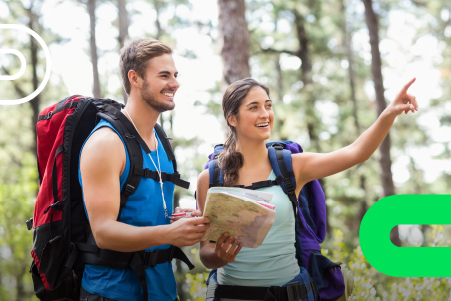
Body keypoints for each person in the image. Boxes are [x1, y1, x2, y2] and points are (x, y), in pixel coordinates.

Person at [197, 77, 418, 301]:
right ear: (232, 118)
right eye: (254, 107)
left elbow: (356, 153)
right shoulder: (210, 178)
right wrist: (219, 256)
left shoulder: (293, 166)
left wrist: (389, 113)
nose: (265, 114)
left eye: (268, 105)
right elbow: (206, 254)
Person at [79, 38, 210, 301]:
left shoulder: (160, 139)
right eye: (164, 75)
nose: (175, 83)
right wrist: (170, 233)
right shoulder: (106, 143)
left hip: (162, 290)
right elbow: (103, 232)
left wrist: (178, 220)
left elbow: (143, 212)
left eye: (175, 75)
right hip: (112, 293)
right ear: (135, 78)